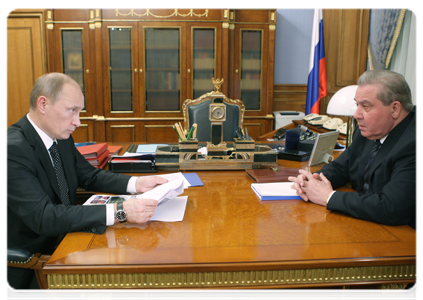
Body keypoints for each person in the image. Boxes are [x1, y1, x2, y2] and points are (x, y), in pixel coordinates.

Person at [5, 73, 168, 300]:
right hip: (37, 262)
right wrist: (121, 211)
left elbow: (88, 176)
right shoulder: (11, 151)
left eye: (79, 112)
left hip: (70, 238)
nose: (78, 121)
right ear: (43, 104)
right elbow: (44, 217)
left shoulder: (59, 136)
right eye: (72, 110)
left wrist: (137, 183)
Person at [289, 69, 419, 299]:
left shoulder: (415, 143)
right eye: (356, 105)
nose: (357, 114)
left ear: (395, 108)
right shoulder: (369, 130)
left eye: (365, 106)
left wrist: (328, 198)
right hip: (364, 233)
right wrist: (315, 181)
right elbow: (342, 167)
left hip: (401, 253)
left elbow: (392, 208)